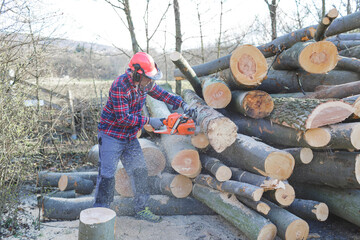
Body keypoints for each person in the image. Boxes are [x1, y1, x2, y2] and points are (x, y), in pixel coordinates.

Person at [94, 52, 194, 223]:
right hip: (111, 135)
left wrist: (182, 103)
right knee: (107, 175)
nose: (150, 82)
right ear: (136, 74)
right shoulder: (120, 85)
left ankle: (141, 209)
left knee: (140, 171)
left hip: (130, 136)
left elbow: (162, 94)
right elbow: (123, 118)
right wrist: (149, 120)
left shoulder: (145, 84)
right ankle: (100, 214)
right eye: (148, 78)